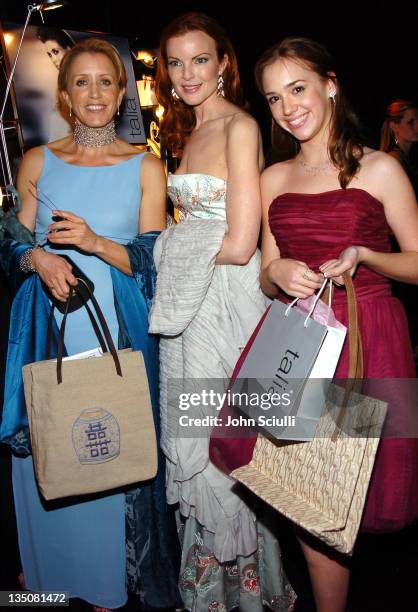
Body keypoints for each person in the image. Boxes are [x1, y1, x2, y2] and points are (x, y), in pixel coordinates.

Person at [1, 38, 181, 610]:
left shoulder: (147, 165)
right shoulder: (37, 159)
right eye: (82, 82)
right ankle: (48, 586)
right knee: (51, 442)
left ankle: (107, 583)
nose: (95, 93)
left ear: (122, 91)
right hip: (46, 331)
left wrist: (94, 243)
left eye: (106, 81)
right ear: (65, 95)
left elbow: (154, 262)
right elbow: (9, 238)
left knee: (107, 438)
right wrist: (39, 258)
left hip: (115, 332)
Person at [256, 36, 418, 612]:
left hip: (365, 344)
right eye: (274, 98)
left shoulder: (379, 167)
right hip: (301, 343)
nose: (287, 107)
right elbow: (266, 278)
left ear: (329, 84)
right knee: (307, 489)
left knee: (345, 488)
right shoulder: (272, 179)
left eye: (297, 89)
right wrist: (275, 267)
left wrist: (367, 254)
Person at [150, 12, 295, 611]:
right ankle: (212, 591)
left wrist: (173, 253)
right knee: (195, 434)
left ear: (224, 64)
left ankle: (249, 593)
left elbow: (240, 241)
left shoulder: (239, 125)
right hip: (191, 299)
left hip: (221, 301)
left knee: (224, 442)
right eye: (176, 62)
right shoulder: (185, 130)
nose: (187, 73)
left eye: (200, 59)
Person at [380, 99, 418, 354]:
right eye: (411, 122)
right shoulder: (392, 162)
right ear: (394, 127)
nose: (417, 126)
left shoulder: (405, 159)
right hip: (400, 251)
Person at [37, 27, 75, 141]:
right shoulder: (62, 86)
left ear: (69, 49)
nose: (53, 59)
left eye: (55, 51)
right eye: (49, 54)